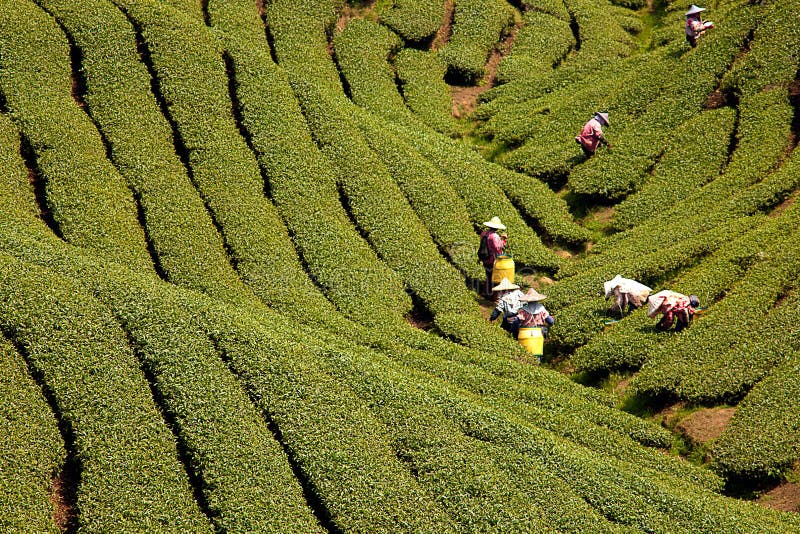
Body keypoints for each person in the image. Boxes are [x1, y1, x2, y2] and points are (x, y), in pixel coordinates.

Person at [478, 216, 508, 296]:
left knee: (488, 275)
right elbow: (497, 247)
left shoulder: (483, 233)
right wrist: (504, 240)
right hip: (492, 259)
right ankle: (492, 294)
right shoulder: (494, 236)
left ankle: (486, 292)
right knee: (495, 277)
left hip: (485, 258)